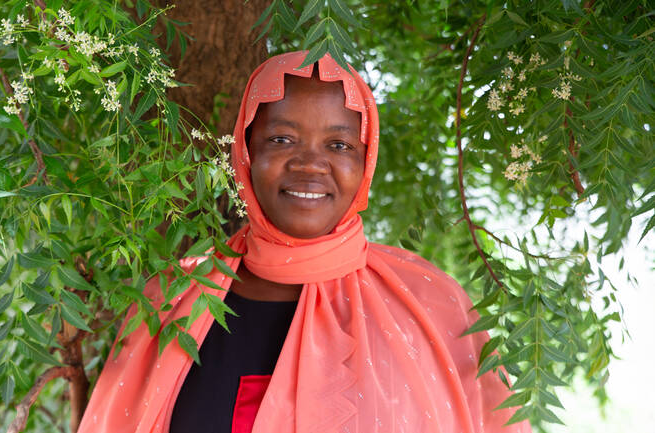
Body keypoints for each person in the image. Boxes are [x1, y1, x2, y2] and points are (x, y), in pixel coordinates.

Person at [77, 51, 531, 433]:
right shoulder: (171, 299)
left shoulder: (431, 305)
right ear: (246, 152)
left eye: (339, 145)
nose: (310, 164)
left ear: (366, 159)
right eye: (281, 138)